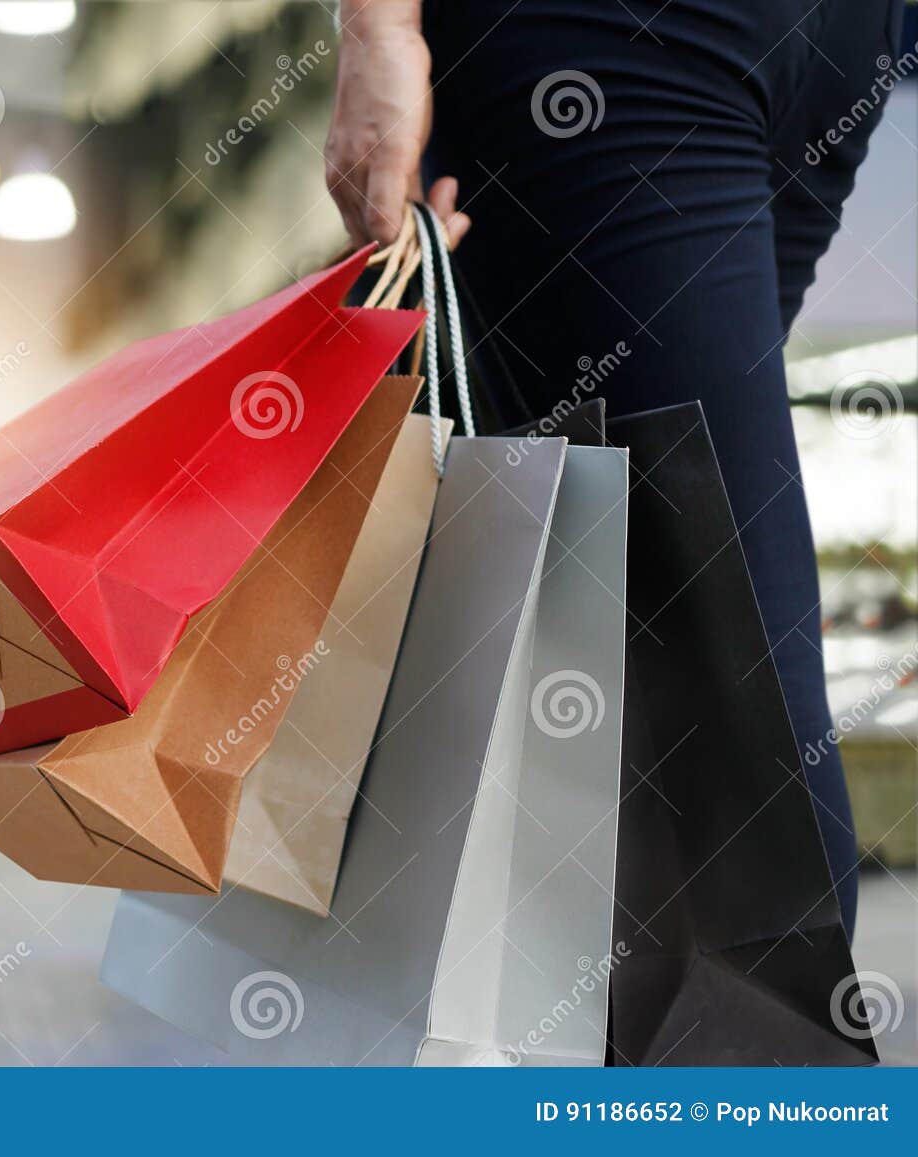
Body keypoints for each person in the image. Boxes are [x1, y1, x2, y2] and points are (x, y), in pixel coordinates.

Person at [326, 0, 908, 936]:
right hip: (691, 43)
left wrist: (376, 28)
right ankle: (721, 1069)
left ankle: (659, 1064)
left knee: (658, 647)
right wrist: (379, 27)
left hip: (725, 42)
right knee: (708, 659)